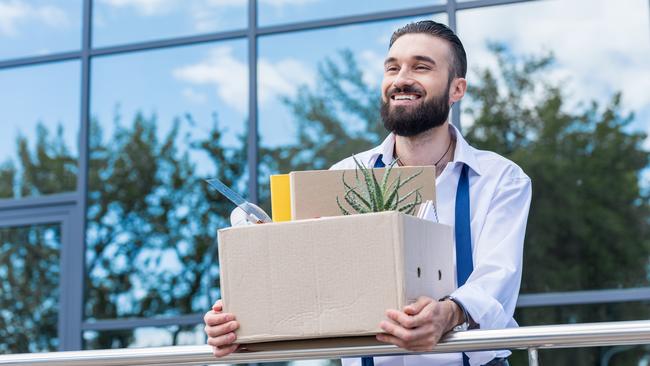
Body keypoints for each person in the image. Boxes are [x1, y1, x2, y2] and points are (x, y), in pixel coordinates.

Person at [204, 20, 532, 366]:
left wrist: (449, 314)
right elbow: (309, 288)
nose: (401, 79)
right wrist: (241, 325)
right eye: (392, 68)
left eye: (421, 67)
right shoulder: (343, 175)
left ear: (457, 89)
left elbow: (498, 279)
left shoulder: (500, 179)